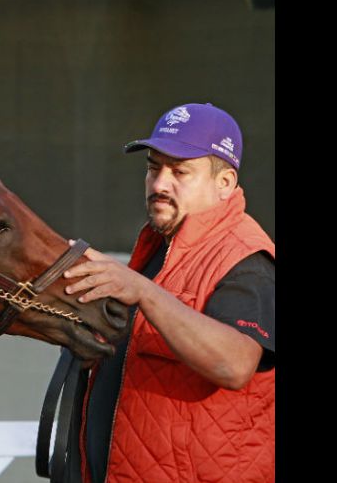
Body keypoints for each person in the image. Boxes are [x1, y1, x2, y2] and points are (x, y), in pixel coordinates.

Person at [63, 103, 275, 483]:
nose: (160, 183)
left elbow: (235, 364)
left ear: (224, 183)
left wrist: (143, 291)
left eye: (180, 171)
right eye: (153, 167)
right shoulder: (161, 245)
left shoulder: (246, 258)